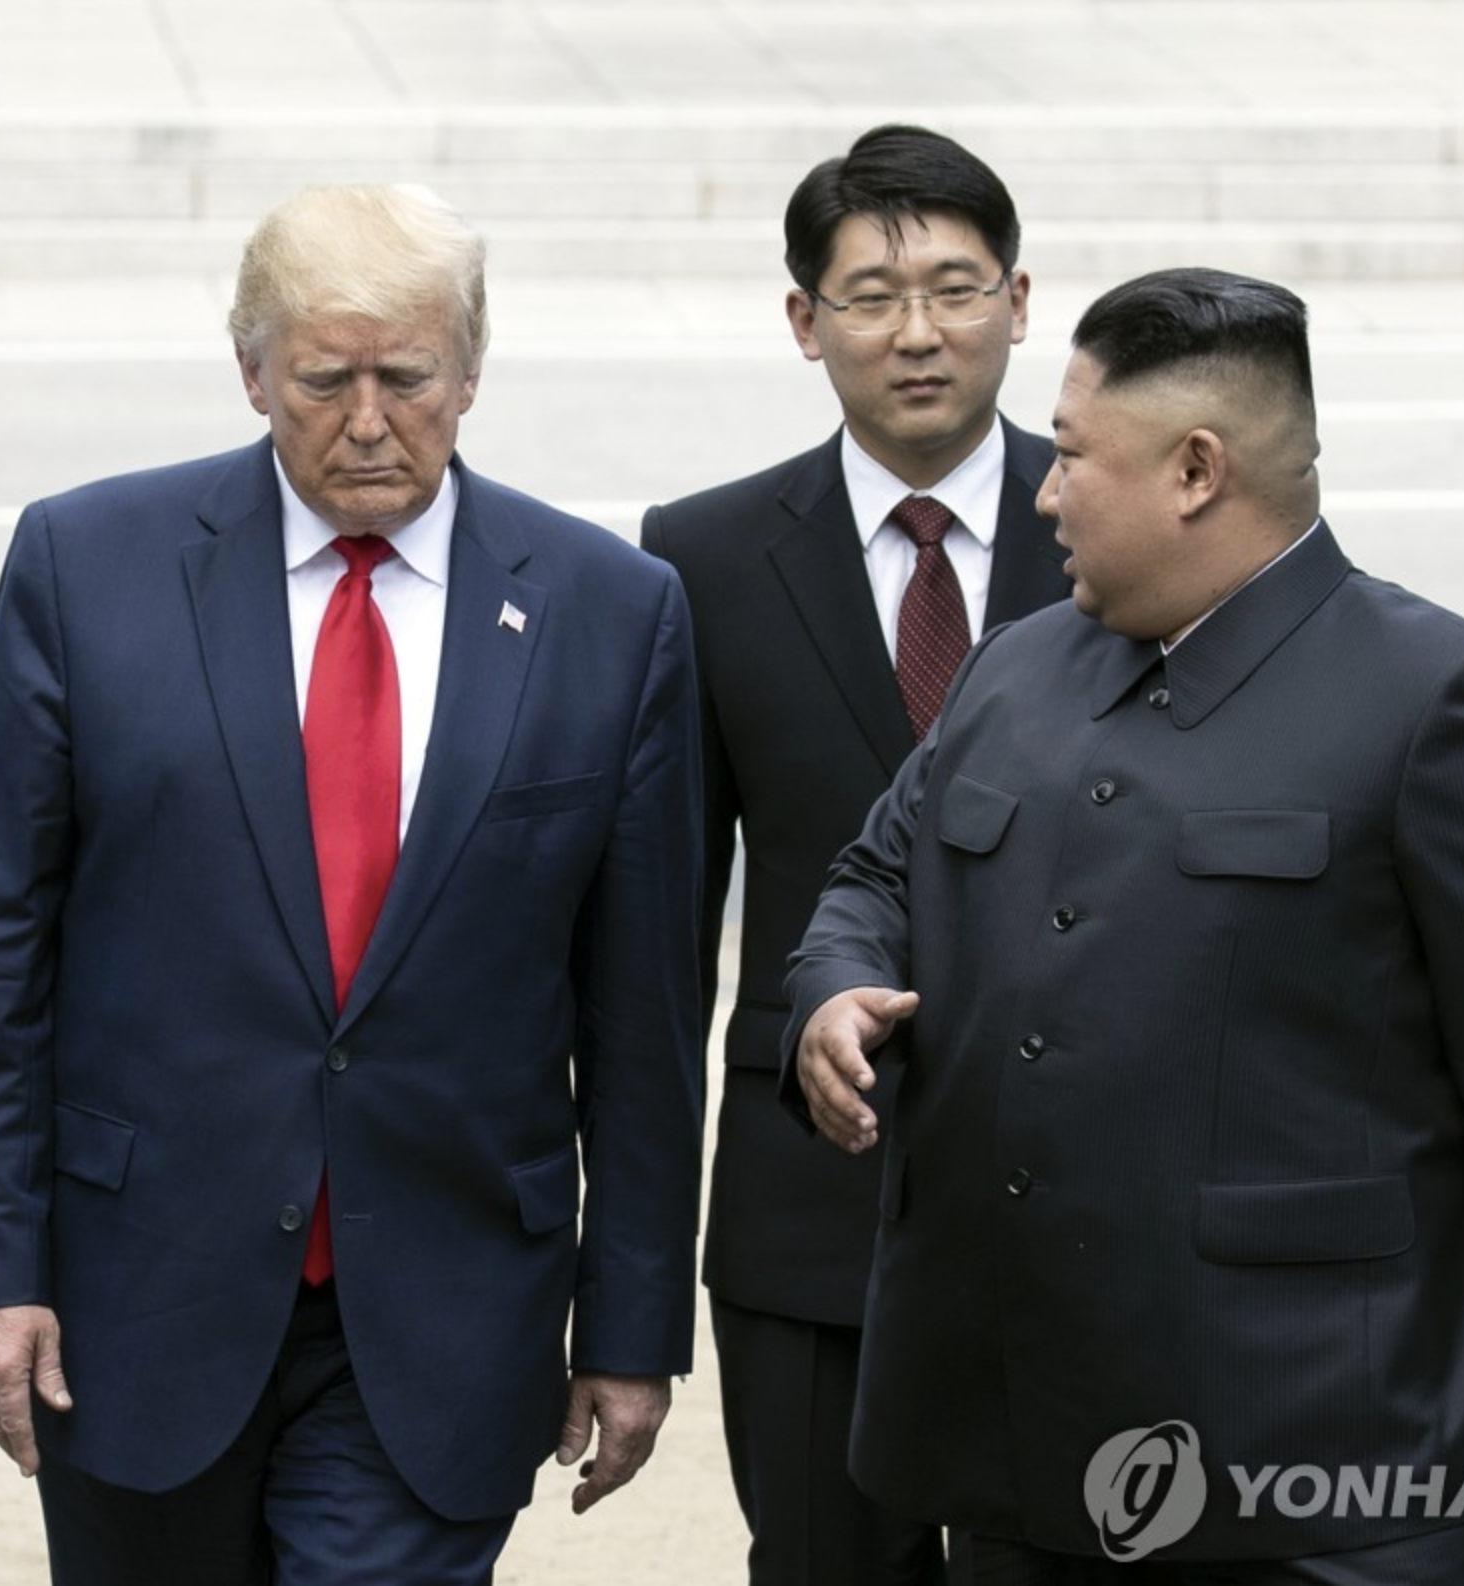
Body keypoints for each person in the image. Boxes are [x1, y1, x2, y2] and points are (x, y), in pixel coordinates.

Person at [788, 267, 1464, 1584]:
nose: (1042, 493)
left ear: (1195, 470)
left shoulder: (1446, 700)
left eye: (1072, 455)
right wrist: (835, 987)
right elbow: (877, 875)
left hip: (1332, 1458)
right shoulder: (1015, 664)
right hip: (1020, 1439)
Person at [0, 184, 704, 1586]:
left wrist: (631, 1327)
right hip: (139, 1299)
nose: (368, 421)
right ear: (251, 372)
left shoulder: (611, 611)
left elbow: (642, 1013)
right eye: (324, 381)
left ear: (471, 370)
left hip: (446, 1308)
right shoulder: (85, 567)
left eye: (408, 378)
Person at [641, 124, 1067, 1586]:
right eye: (871, 297)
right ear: (803, 320)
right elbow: (661, 936)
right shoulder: (700, 557)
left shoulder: (1121, 528)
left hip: (1079, 1195)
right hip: (809, 1194)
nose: (917, 333)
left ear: (1019, 303)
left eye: (955, 289)